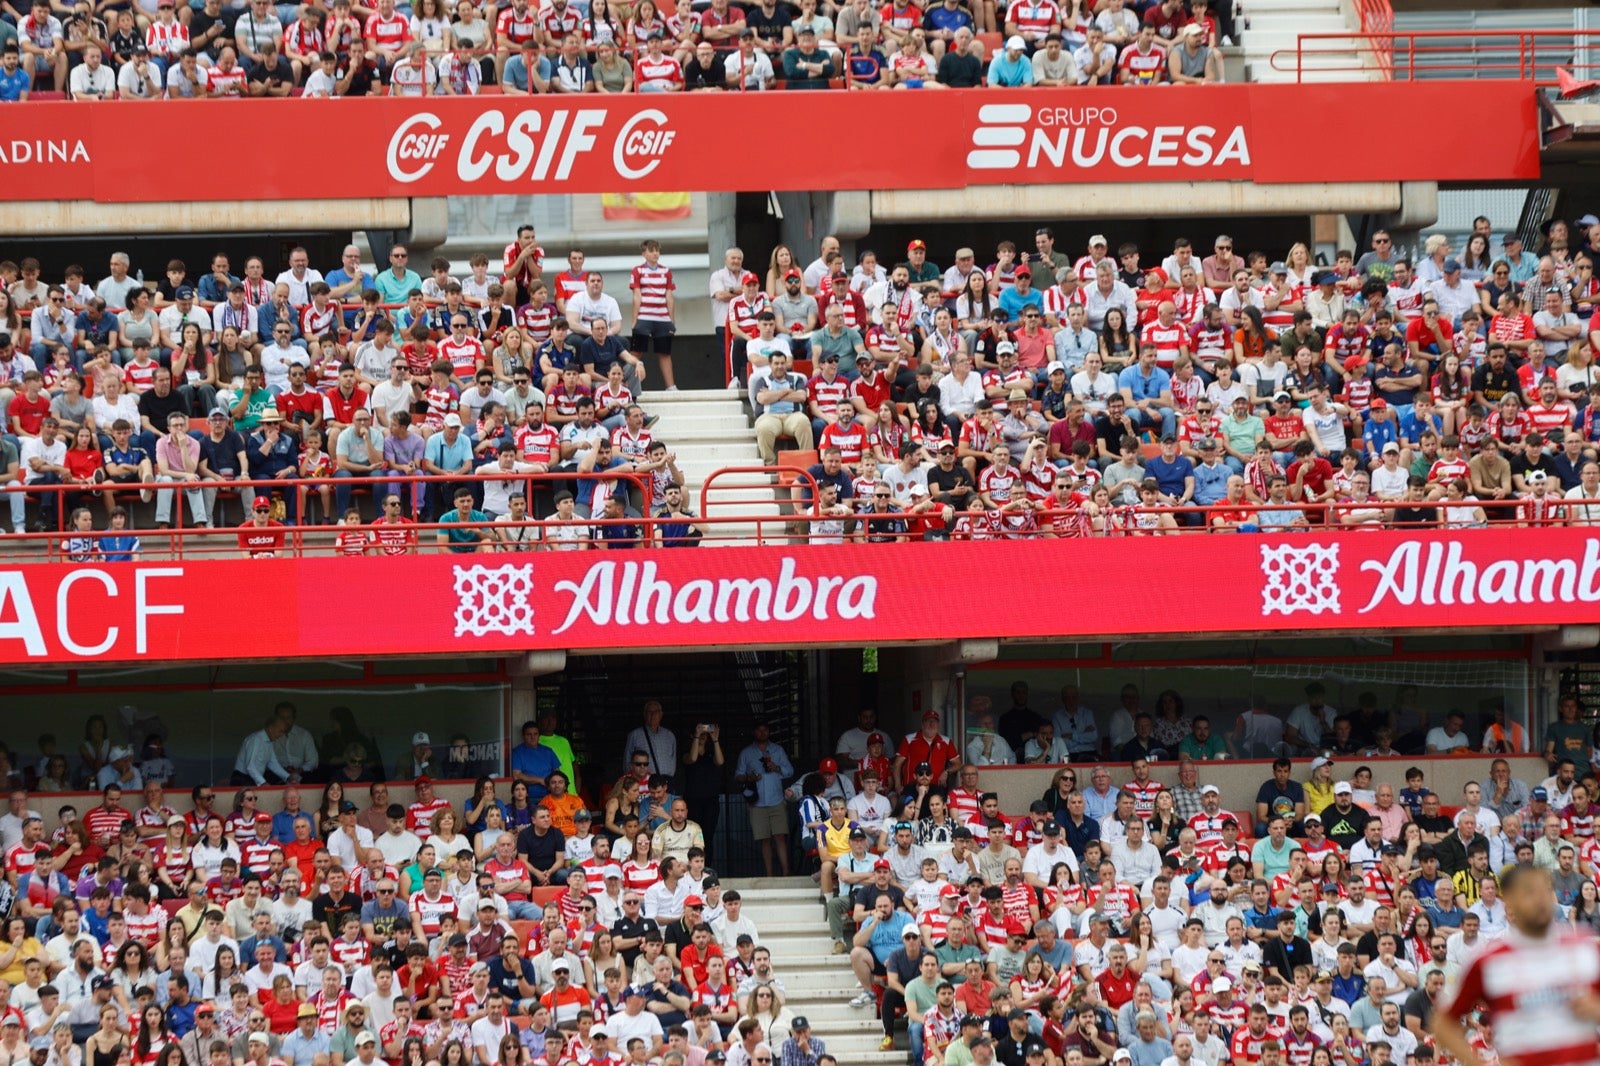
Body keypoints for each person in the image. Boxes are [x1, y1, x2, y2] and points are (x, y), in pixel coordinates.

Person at [734, 723, 793, 879]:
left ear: (769, 732)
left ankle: (786, 873)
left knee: (780, 836)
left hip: (777, 800)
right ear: (754, 732)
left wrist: (776, 767)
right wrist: (749, 777)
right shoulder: (746, 752)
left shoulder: (778, 750)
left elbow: (790, 771)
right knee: (764, 840)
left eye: (765, 730)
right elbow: (738, 775)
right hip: (757, 802)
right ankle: (769, 876)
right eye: (759, 730)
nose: (762, 733)